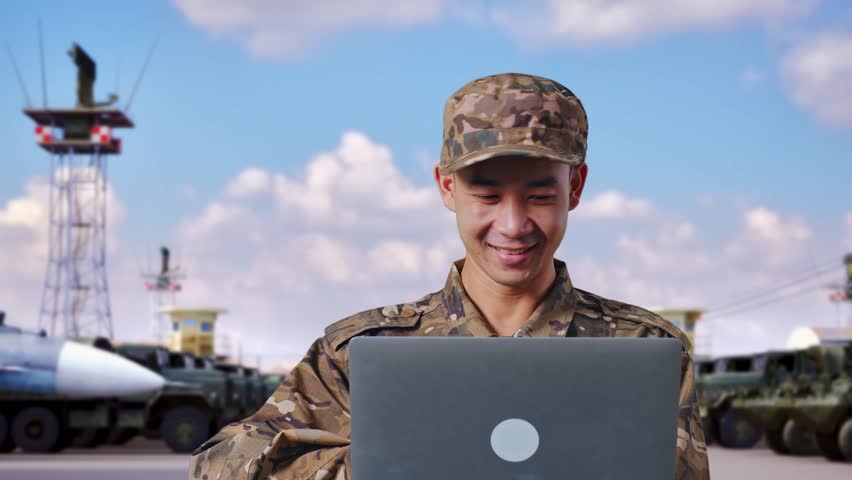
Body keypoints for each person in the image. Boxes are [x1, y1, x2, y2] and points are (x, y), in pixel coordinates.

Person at [188, 73, 710, 480]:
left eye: (540, 195)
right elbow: (218, 464)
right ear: (445, 188)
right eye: (486, 195)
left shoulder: (643, 349)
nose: (513, 224)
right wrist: (368, 468)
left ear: (575, 188)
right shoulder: (361, 353)